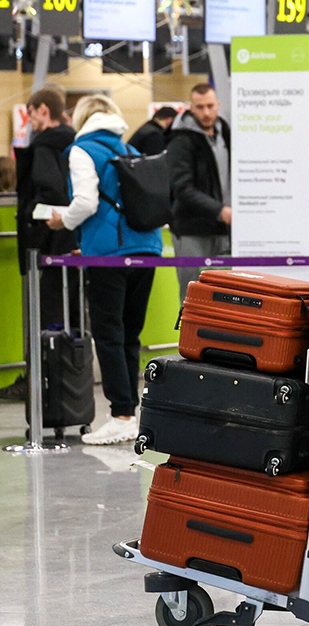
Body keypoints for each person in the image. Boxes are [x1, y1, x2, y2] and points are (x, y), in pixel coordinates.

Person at [46, 95, 163, 445]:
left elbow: (86, 201)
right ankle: (131, 413)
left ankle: (120, 414)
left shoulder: (82, 150)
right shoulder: (128, 148)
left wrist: (62, 220)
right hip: (148, 248)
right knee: (130, 333)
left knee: (108, 334)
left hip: (109, 255)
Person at [1, 89, 78, 401]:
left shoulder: (44, 145)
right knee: (66, 315)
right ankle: (61, 379)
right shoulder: (73, 142)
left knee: (46, 316)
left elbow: (48, 190)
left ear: (43, 111)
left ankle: (41, 380)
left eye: (31, 113)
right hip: (71, 242)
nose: (30, 120)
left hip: (48, 245)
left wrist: (37, 220)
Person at [167, 84, 231, 303]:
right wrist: (219, 210)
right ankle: (187, 337)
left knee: (225, 295)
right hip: (191, 228)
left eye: (210, 106)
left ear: (218, 106)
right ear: (191, 108)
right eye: (200, 107)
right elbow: (182, 189)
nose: (206, 112)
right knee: (191, 296)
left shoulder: (227, 134)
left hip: (224, 229)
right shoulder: (180, 141)